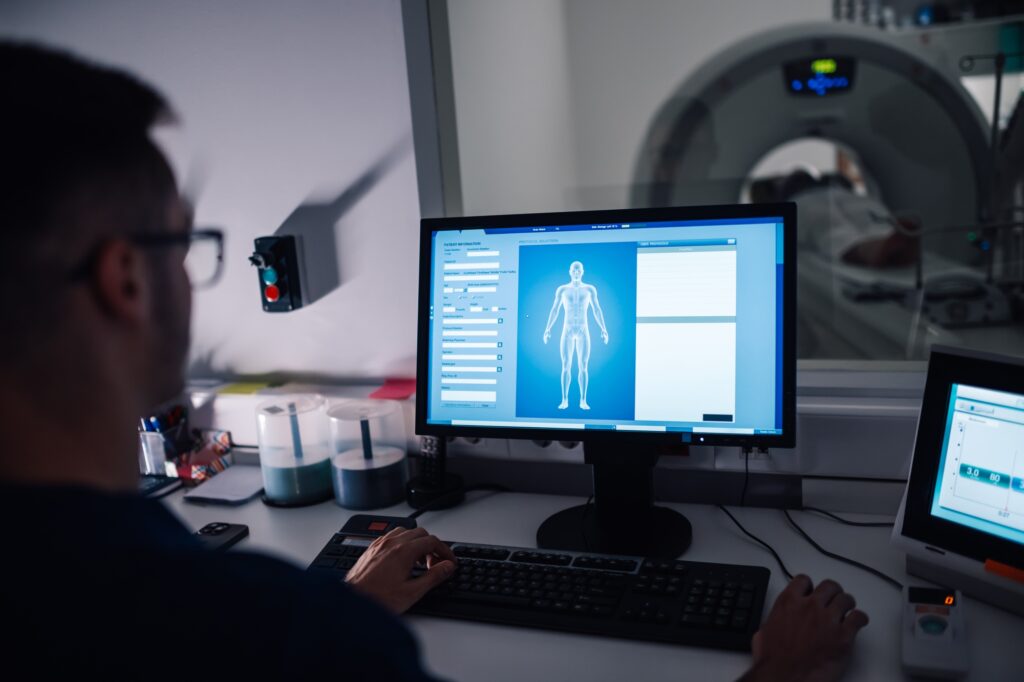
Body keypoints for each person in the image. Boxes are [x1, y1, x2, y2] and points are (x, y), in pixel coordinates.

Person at [0, 42, 868, 680]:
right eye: (189, 248)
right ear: (123, 279)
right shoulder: (256, 632)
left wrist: (352, 603)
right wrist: (780, 675)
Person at [542, 260, 609, 410]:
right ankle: (564, 399)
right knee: (566, 365)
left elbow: (597, 310)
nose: (577, 273)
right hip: (567, 330)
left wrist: (603, 329)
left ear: (583, 271)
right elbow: (555, 310)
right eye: (574, 270)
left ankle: (583, 400)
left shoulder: (590, 289)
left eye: (579, 270)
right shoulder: (562, 289)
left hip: (583, 330)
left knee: (583, 366)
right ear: (570, 271)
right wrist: (548, 329)